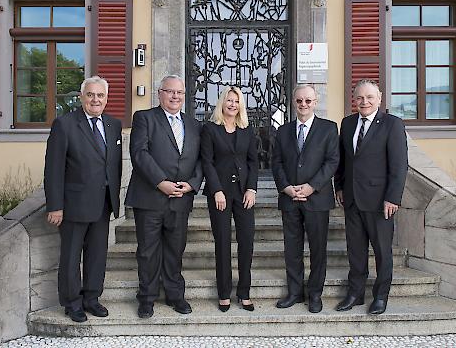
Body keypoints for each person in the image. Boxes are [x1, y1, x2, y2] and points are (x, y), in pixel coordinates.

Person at [44, 76, 123, 323]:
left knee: (97, 255)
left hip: (103, 203)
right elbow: (53, 169)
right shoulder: (65, 125)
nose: (95, 100)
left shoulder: (113, 125)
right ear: (81, 97)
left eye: (100, 95)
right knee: (70, 256)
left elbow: (114, 164)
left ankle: (92, 299)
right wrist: (55, 206)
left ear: (106, 99)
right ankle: (72, 303)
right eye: (91, 95)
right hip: (73, 205)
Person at [125, 75, 203, 319]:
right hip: (150, 198)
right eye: (170, 92)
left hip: (181, 198)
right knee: (148, 251)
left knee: (175, 250)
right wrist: (161, 183)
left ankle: (175, 295)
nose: (175, 96)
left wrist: (191, 185)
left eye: (179, 92)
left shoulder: (194, 124)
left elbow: (202, 159)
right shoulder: (145, 118)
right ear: (160, 93)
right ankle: (147, 298)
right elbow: (139, 154)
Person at [334, 79, 408, 315]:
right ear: (354, 100)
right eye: (360, 98)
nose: (364, 102)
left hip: (380, 202)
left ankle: (380, 296)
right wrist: (339, 187)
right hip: (352, 199)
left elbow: (399, 166)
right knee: (355, 250)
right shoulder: (347, 124)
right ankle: (355, 294)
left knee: (382, 251)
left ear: (380, 98)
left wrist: (393, 198)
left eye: (369, 97)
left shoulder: (392, 124)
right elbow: (343, 161)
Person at [271, 84, 339, 313]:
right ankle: (294, 292)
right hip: (290, 199)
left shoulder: (329, 129)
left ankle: (315, 294)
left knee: (318, 250)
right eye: (299, 100)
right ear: (293, 102)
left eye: (308, 101)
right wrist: (286, 188)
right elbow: (276, 162)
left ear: (315, 102)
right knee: (292, 249)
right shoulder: (283, 131)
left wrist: (311, 187)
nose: (303, 105)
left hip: (317, 199)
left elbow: (332, 162)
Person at [200, 86, 258, 312]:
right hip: (220, 194)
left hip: (244, 193)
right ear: (222, 103)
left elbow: (254, 161)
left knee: (247, 242)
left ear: (240, 105)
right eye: (228, 100)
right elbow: (207, 162)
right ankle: (224, 293)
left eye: (236, 101)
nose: (232, 104)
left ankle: (244, 292)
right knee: (223, 243)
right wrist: (216, 190)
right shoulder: (210, 129)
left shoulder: (247, 130)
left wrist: (252, 189)